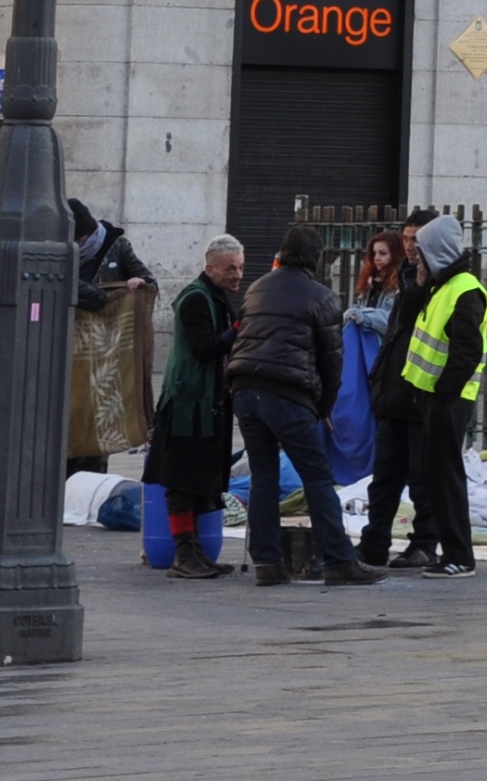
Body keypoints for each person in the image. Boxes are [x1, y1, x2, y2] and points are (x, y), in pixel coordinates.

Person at [228, 226, 376, 586]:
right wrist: (323, 409)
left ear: (282, 252)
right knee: (317, 476)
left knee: (263, 476)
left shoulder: (257, 287)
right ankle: (339, 560)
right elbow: (332, 363)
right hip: (287, 393)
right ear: (317, 259)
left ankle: (267, 562)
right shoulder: (323, 298)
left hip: (245, 390)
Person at [396, 214, 487, 579]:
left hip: (448, 399)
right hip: (432, 396)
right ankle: (451, 552)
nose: (415, 256)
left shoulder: (464, 289)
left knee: (445, 477)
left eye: (421, 249)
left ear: (436, 251)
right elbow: (407, 322)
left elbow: (468, 351)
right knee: (435, 476)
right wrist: (419, 286)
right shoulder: (439, 285)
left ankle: (459, 556)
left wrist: (443, 394)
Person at [152, 237, 246, 580]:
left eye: (240, 267)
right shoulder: (195, 298)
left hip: (207, 405)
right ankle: (184, 554)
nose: (238, 274)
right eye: (230, 268)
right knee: (181, 481)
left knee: (198, 481)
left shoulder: (216, 297)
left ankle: (195, 552)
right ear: (210, 268)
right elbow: (204, 348)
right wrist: (239, 327)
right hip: (187, 405)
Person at [352, 210, 435, 570]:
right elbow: (394, 335)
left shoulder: (440, 283)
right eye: (407, 238)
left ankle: (425, 543)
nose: (410, 246)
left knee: (422, 478)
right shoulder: (405, 279)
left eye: (417, 239)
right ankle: (374, 543)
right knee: (384, 478)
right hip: (393, 394)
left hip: (422, 397)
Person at [65, 199, 155, 477]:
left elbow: (148, 282)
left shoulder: (117, 246)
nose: (78, 245)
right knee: (70, 415)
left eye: (81, 240)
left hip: (103, 350)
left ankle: (91, 480)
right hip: (69, 347)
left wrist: (137, 284)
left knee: (96, 417)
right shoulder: (60, 253)